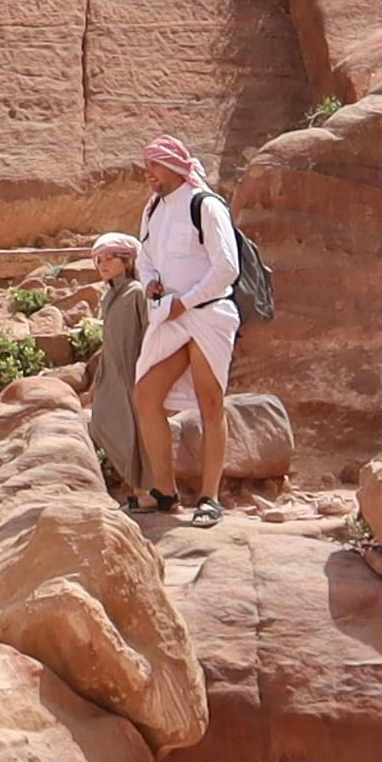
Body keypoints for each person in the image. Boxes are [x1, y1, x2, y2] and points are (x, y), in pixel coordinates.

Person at [92, 133, 250, 520]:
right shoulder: (153, 209)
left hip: (208, 314)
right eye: (147, 166)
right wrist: (150, 284)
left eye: (155, 166)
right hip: (170, 315)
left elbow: (227, 268)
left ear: (176, 167)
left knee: (210, 403)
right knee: (146, 395)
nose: (149, 173)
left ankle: (210, 498)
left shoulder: (205, 205)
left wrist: (186, 302)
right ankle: (164, 490)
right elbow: (145, 257)